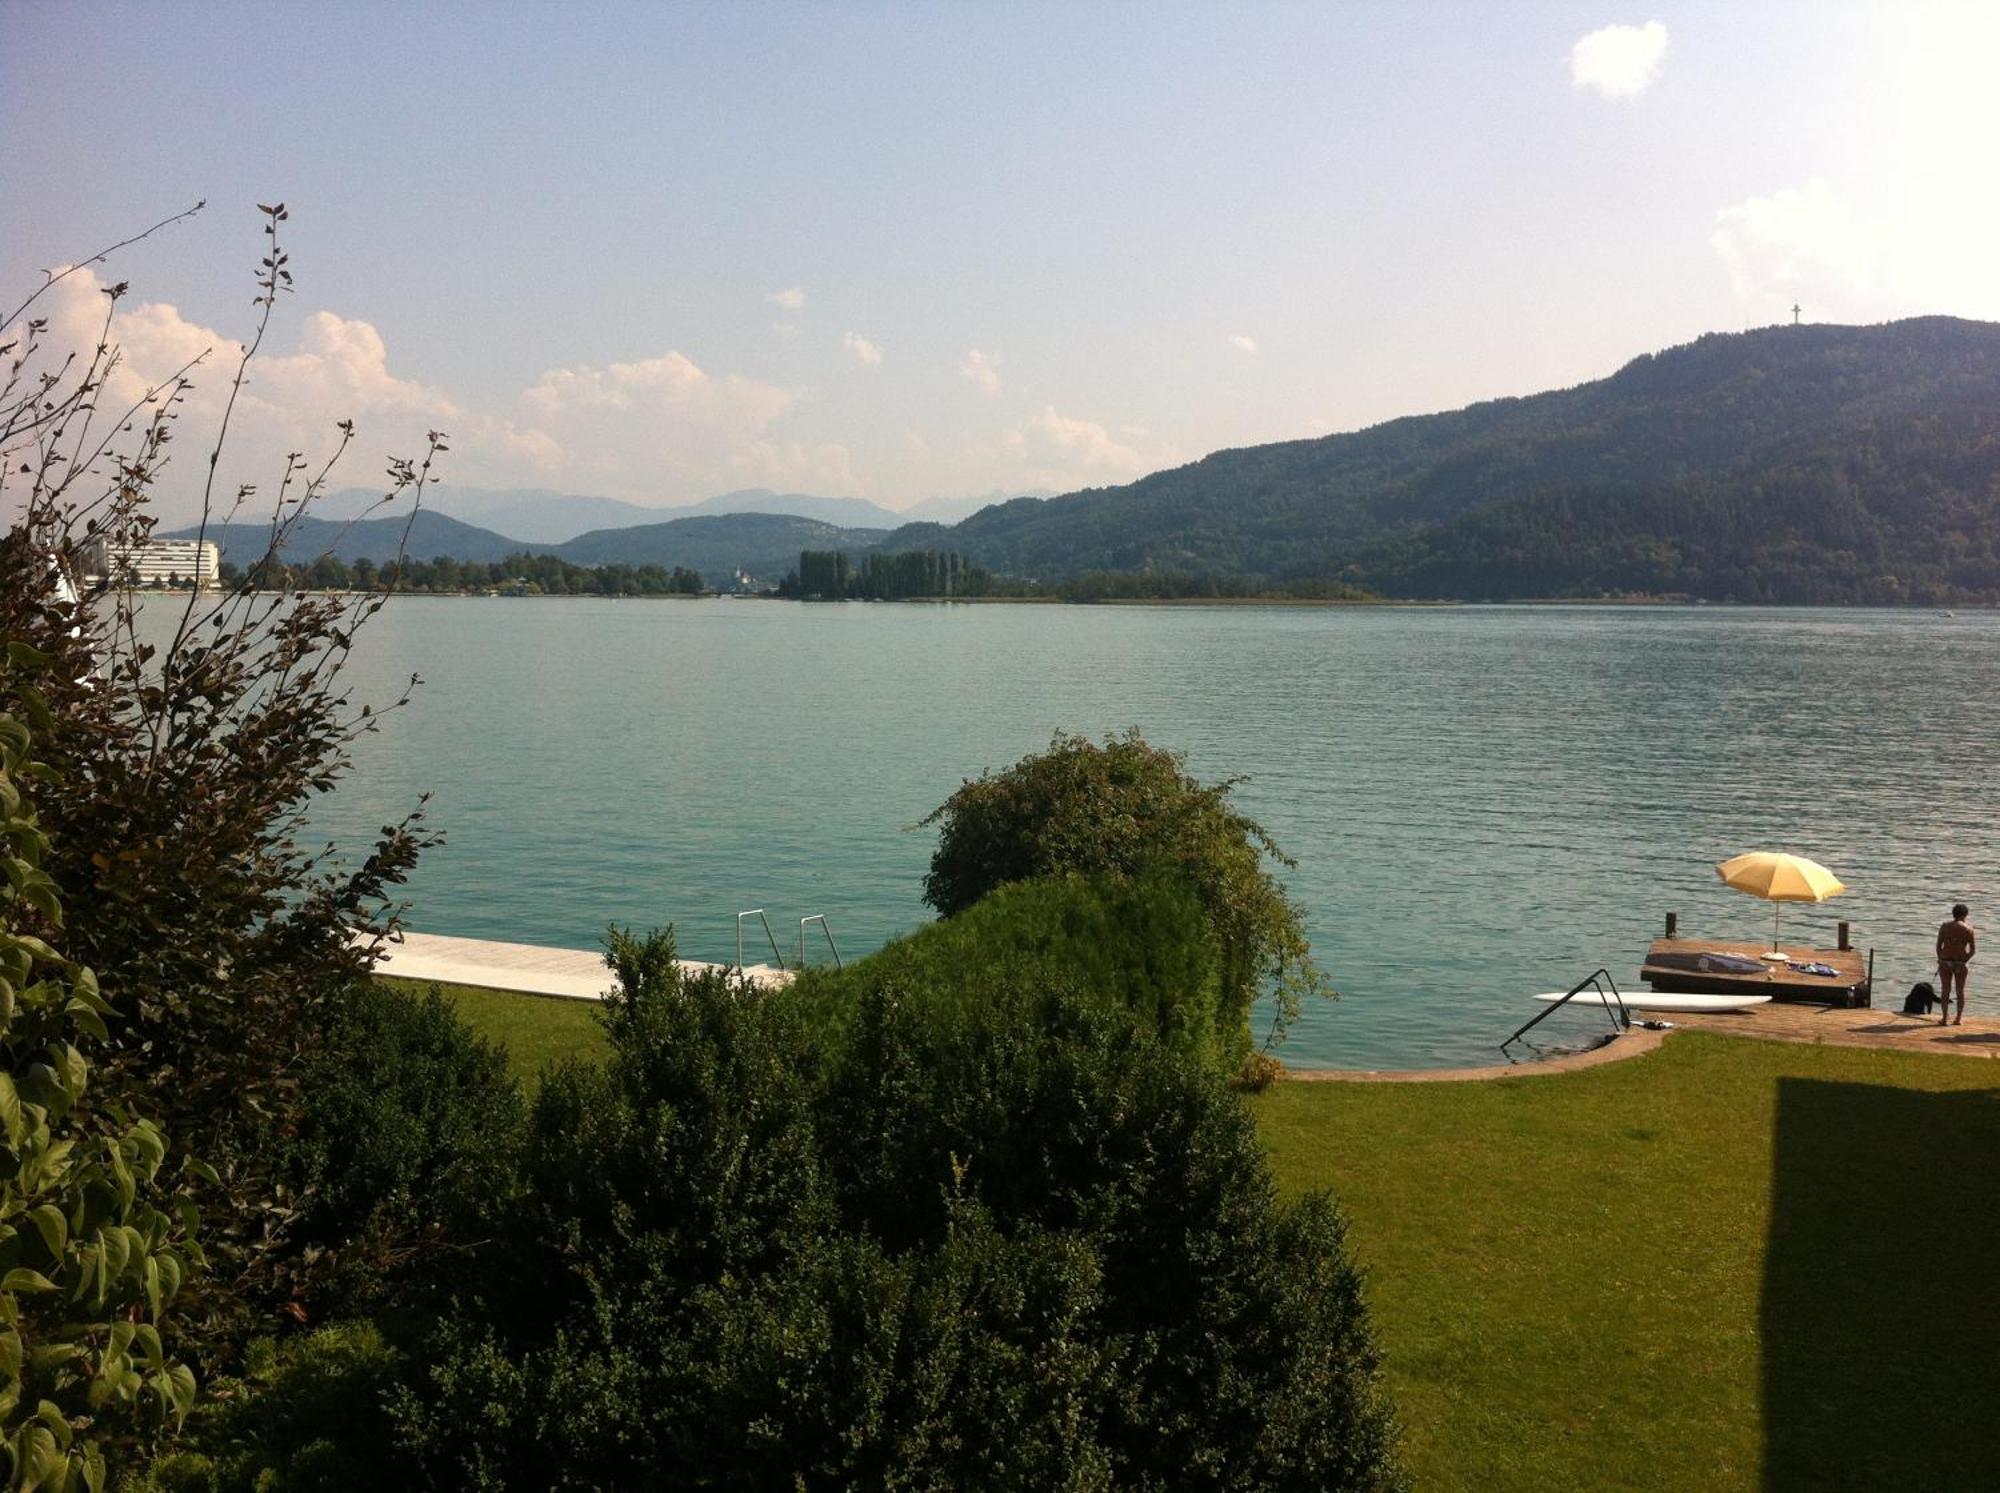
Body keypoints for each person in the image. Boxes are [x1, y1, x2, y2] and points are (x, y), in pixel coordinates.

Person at [1936, 903, 1976, 1027]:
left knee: (1945, 990)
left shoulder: (1944, 927)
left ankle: (1944, 1018)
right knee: (1960, 991)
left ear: (1953, 914)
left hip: (1945, 961)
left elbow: (1938, 947)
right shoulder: (1969, 929)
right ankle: (1958, 1018)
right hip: (1960, 962)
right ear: (1965, 915)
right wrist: (1965, 960)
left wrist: (1940, 959)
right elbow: (1972, 950)